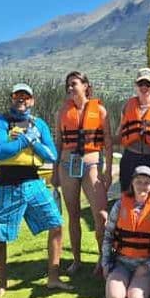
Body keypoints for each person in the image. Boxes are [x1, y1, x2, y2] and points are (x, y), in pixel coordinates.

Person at [0, 83, 72, 297]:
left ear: (32, 100)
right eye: (18, 96)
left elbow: (52, 155)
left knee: (56, 224)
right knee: (0, 235)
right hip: (7, 185)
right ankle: (2, 283)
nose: (22, 100)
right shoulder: (0, 122)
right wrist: (25, 140)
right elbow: (1, 150)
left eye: (26, 97)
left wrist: (33, 142)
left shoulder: (39, 124)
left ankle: (53, 278)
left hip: (34, 183)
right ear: (12, 98)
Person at [54, 71, 113, 275]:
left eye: (74, 84)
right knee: (73, 215)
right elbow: (58, 143)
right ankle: (76, 260)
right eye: (68, 85)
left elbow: (108, 143)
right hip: (67, 166)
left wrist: (106, 170)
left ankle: (102, 259)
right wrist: (54, 172)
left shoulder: (101, 111)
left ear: (86, 85)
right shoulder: (62, 112)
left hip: (92, 166)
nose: (70, 88)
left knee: (101, 216)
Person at [101, 165, 150, 298]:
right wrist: (105, 263)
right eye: (138, 181)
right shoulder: (119, 205)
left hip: (145, 266)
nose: (142, 186)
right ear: (132, 183)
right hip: (121, 263)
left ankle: (140, 284)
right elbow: (108, 236)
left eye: (146, 182)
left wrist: (149, 265)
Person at [117, 67, 150, 195]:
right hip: (130, 158)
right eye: (141, 84)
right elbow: (119, 135)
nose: (144, 87)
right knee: (127, 195)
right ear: (136, 85)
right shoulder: (127, 107)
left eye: (148, 84)